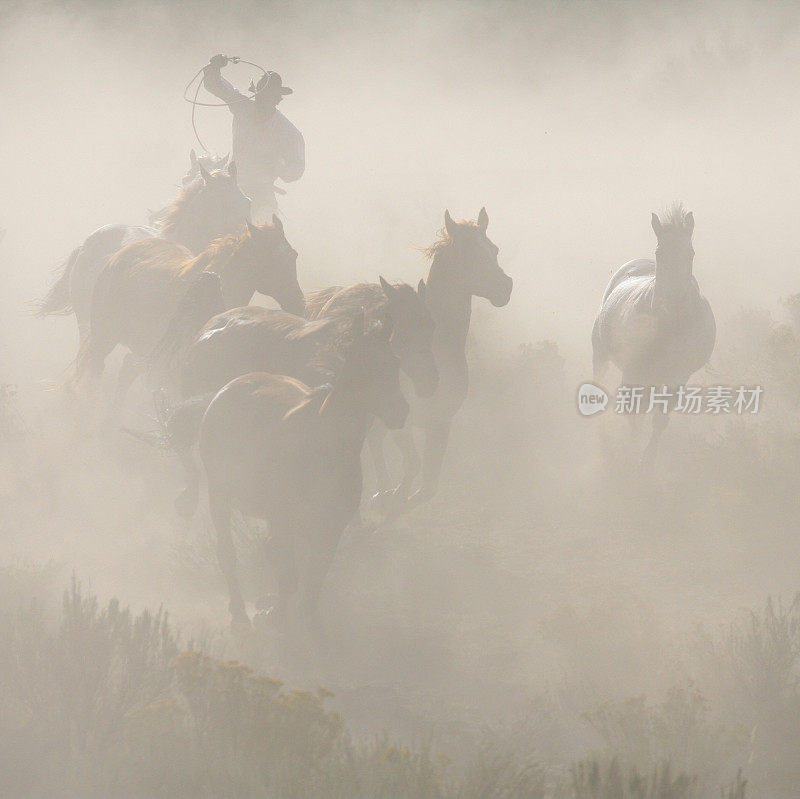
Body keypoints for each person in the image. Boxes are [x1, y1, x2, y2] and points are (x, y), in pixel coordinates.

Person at [203, 54, 305, 219]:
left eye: (268, 96)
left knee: (264, 232)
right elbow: (215, 85)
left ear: (277, 99)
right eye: (260, 96)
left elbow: (297, 170)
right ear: (256, 94)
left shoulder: (287, 132)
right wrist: (214, 68)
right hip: (232, 188)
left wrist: (280, 168)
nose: (262, 100)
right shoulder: (243, 107)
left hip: (262, 194)